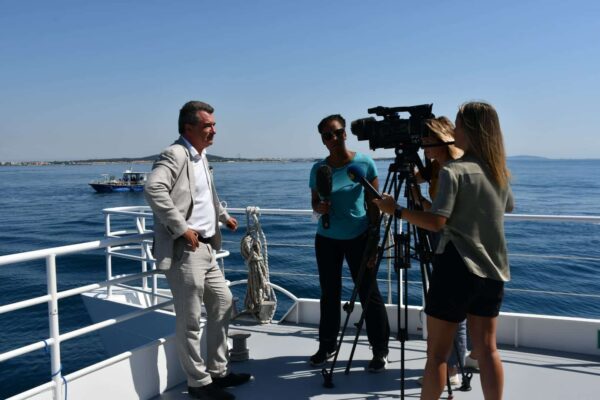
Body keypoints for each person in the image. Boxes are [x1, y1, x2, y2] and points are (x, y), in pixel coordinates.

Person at [373, 101, 513, 400]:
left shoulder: (454, 171)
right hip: (493, 270)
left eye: (459, 126)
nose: (454, 131)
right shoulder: (498, 172)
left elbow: (436, 222)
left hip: (456, 267)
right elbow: (505, 207)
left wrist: (394, 210)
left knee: (437, 355)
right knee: (487, 350)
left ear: (469, 130)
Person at [144, 101, 251, 400]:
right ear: (188, 128)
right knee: (190, 320)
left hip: (206, 248)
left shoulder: (201, 157)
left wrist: (222, 216)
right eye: (208, 125)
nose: (214, 130)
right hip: (185, 250)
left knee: (223, 303)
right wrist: (181, 228)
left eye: (214, 124)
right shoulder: (175, 153)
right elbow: (154, 189)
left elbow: (205, 195)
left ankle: (219, 371)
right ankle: (198, 384)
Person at [308, 114, 390, 372]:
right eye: (326, 135)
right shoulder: (319, 169)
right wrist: (319, 207)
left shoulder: (363, 163)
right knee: (328, 294)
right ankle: (327, 346)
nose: (333, 139)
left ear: (345, 133)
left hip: (360, 238)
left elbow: (375, 204)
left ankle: (380, 350)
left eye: (336, 132)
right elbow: (314, 204)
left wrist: (375, 242)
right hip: (327, 239)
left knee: (369, 293)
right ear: (323, 140)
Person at [414, 117, 467, 387]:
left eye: (426, 142)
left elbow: (441, 215)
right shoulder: (435, 167)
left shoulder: (457, 168)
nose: (424, 148)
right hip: (438, 236)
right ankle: (451, 360)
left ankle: (455, 364)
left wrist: (406, 210)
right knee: (447, 303)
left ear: (441, 139)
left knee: (451, 304)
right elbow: (412, 178)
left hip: (454, 241)